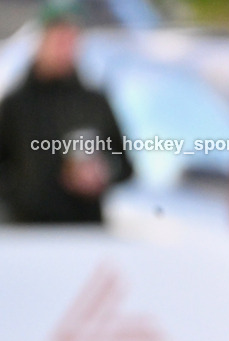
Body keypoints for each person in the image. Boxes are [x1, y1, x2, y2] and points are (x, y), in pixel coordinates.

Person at [0, 3, 133, 224]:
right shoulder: (16, 104)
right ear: (41, 39)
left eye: (71, 38)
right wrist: (22, 191)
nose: (64, 46)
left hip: (84, 229)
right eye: (58, 37)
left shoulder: (94, 102)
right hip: (29, 231)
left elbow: (126, 166)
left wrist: (103, 173)